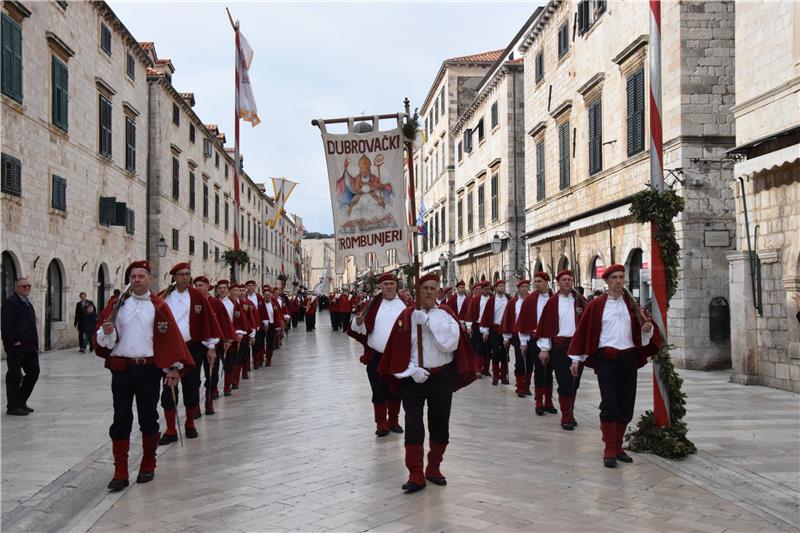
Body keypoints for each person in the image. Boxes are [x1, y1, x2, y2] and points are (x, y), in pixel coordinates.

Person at [95, 261, 194, 491]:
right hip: (121, 368)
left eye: (141, 276)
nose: (137, 279)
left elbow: (170, 337)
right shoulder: (117, 305)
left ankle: (148, 462)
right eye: (134, 276)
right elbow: (105, 337)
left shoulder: (158, 306)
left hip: (148, 369)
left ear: (149, 279)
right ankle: (120, 471)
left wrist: (173, 368)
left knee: (148, 416)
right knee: (121, 419)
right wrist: (107, 331)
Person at [378, 273, 477, 492]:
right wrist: (411, 370)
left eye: (433, 288)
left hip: (441, 378)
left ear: (439, 291)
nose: (429, 292)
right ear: (418, 291)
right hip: (413, 380)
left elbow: (450, 344)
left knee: (440, 424)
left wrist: (429, 323)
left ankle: (433, 467)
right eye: (425, 288)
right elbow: (397, 350)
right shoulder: (406, 315)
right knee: (413, 425)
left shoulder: (446, 315)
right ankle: (415, 473)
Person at [567, 264, 661, 468]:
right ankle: (609, 448)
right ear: (607, 281)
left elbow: (644, 331)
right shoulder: (596, 305)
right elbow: (583, 332)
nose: (619, 281)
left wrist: (647, 329)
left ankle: (618, 446)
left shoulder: (632, 305)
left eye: (621, 277)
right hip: (606, 358)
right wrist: (576, 359)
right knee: (609, 403)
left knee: (626, 404)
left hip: (628, 359)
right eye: (615, 278)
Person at [158, 263, 220, 444]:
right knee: (169, 387)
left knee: (192, 386)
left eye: (187, 274)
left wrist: (211, 347)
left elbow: (207, 321)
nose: (185, 277)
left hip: (192, 347)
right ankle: (170, 429)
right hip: (171, 347)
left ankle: (190, 423)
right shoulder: (165, 296)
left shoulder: (197, 296)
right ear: (174, 277)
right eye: (181, 274)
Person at [349, 273, 407, 437]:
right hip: (377, 357)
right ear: (380, 287)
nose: (389, 287)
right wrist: (358, 322)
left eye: (391, 284)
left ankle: (393, 421)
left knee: (396, 390)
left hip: (397, 356)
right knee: (379, 390)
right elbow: (357, 324)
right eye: (385, 284)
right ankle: (381, 423)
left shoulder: (404, 305)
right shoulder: (372, 304)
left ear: (396, 286)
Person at [535, 270, 588, 430]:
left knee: (575, 382)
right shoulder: (552, 302)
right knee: (564, 381)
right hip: (559, 346)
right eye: (564, 280)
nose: (567, 282)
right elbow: (545, 325)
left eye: (570, 279)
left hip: (577, 346)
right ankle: (566, 416)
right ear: (558, 282)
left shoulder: (580, 301)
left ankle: (571, 412)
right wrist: (544, 348)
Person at [516, 272, 555, 415]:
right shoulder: (530, 300)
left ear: (546, 282)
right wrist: (523, 342)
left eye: (539, 281)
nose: (536, 284)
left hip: (552, 339)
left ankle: (549, 401)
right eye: (535, 281)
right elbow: (523, 321)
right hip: (535, 339)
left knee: (549, 371)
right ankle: (539, 401)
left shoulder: (554, 298)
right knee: (539, 370)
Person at [194, 276, 234, 415]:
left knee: (212, 375)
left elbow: (224, 322)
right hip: (195, 345)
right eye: (196, 285)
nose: (198, 288)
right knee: (194, 377)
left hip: (213, 345)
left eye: (201, 285)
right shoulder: (192, 302)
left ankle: (209, 402)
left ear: (208, 287)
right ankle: (195, 407)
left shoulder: (216, 303)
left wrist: (228, 339)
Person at [1, 277, 40, 416]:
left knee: (34, 372)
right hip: (16, 346)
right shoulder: (11, 303)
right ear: (17, 288)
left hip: (29, 346)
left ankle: (21, 401)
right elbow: (7, 324)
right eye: (24, 286)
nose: (27, 288)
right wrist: (15, 340)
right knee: (14, 375)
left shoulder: (27, 303)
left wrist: (35, 343)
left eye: (29, 286)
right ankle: (12, 406)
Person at [501, 279, 533, 398]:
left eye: (527, 286)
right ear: (518, 289)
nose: (525, 288)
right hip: (517, 336)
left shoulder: (532, 301)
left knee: (529, 362)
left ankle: (527, 386)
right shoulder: (513, 303)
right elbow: (508, 319)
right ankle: (520, 387)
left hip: (531, 336)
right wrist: (506, 337)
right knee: (520, 361)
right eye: (523, 286)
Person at [479, 280, 510, 386]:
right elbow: (486, 316)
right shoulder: (491, 301)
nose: (502, 288)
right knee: (496, 353)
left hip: (506, 329)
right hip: (494, 330)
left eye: (503, 286)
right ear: (496, 288)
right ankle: (496, 376)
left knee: (505, 354)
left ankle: (504, 376)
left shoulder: (508, 299)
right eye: (500, 286)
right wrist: (485, 331)